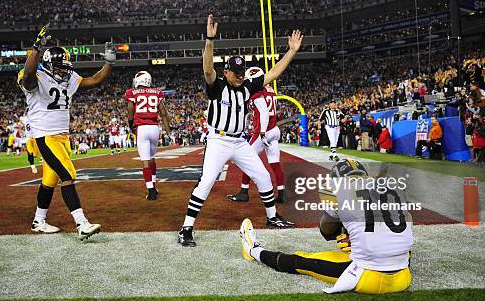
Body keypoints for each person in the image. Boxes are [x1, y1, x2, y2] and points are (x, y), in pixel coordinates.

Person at [178, 15, 302, 247]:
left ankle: (272, 217)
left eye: (241, 71)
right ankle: (186, 228)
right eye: (235, 72)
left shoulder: (246, 85)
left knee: (264, 176)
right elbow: (207, 69)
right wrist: (209, 39)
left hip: (239, 141)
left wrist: (291, 51)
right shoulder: (217, 85)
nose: (240, 75)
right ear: (225, 72)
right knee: (206, 182)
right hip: (218, 139)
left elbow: (273, 73)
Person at [239, 158, 413, 294]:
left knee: (300, 261)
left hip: (367, 277)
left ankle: (252, 250)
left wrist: (344, 229)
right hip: (404, 275)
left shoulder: (335, 190)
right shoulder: (392, 187)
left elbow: (327, 231)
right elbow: (403, 223)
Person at [19, 23, 115, 239]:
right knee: (68, 174)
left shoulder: (69, 78)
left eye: (65, 66)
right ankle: (81, 223)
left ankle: (38, 220)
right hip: (45, 136)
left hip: (62, 137)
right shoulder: (36, 76)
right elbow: (28, 75)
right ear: (47, 64)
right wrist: (36, 48)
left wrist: (108, 62)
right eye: (59, 66)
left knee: (50, 179)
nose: (64, 70)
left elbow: (95, 80)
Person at [228, 67, 287, 204]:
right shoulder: (271, 90)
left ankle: (244, 192)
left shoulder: (257, 92)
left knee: (246, 159)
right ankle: (282, 193)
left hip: (264, 131)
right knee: (275, 164)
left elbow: (264, 112)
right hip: (274, 129)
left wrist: (261, 132)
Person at [124, 70, 171, 201]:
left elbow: (130, 110)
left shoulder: (131, 93)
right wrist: (168, 131)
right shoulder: (157, 92)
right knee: (151, 158)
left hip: (142, 128)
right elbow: (163, 112)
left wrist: (130, 123)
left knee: (145, 161)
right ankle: (154, 185)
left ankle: (151, 191)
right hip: (154, 128)